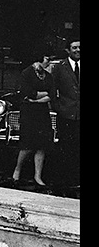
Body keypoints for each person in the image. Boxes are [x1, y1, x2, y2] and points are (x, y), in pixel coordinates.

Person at [11, 48, 55, 189]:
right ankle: (17, 170)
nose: (49, 62)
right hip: (29, 113)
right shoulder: (27, 73)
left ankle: (38, 176)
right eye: (47, 59)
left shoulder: (48, 76)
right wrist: (41, 94)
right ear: (40, 58)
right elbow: (28, 92)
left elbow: (51, 94)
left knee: (42, 145)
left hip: (42, 112)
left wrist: (37, 98)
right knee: (27, 144)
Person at [51, 38, 80, 189]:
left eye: (80, 47)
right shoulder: (60, 67)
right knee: (65, 147)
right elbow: (53, 89)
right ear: (68, 50)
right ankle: (64, 181)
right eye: (74, 47)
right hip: (66, 114)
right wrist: (58, 108)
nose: (77, 50)